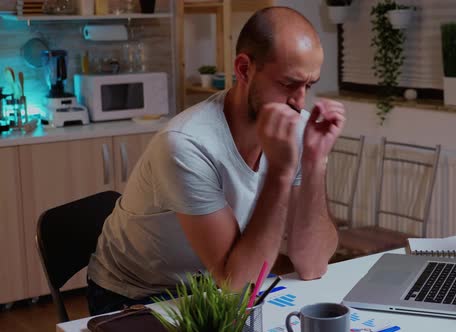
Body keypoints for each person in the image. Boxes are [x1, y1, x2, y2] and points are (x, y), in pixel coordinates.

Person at [86, 6, 345, 315]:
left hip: (214, 283)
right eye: (288, 84)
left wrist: (315, 161)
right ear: (244, 69)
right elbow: (236, 282)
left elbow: (313, 265)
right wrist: (280, 171)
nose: (299, 102)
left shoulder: (295, 126)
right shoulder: (186, 144)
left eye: (309, 86)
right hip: (139, 294)